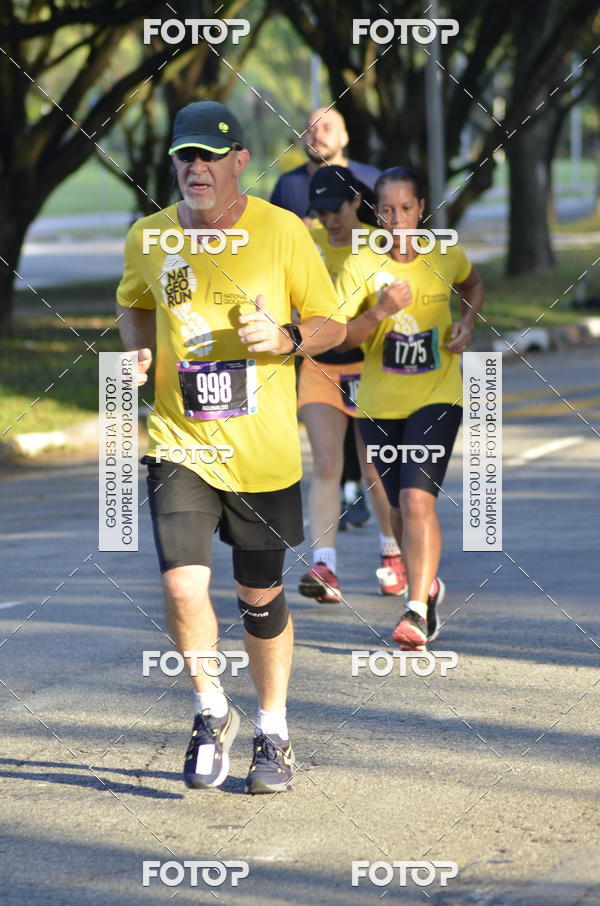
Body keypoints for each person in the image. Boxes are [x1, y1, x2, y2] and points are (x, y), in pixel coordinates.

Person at [116, 100, 345, 794]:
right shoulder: (149, 237)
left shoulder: (281, 232)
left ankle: (273, 729)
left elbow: (332, 323)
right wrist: (139, 355)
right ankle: (211, 712)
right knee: (183, 583)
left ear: (239, 161)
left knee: (259, 596)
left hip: (263, 455)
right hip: (181, 445)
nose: (194, 168)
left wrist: (287, 339)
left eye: (208, 157)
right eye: (184, 157)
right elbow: (132, 299)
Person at [336, 166, 484, 647]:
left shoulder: (443, 253)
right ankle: (430, 582)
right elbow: (342, 335)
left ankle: (417, 610)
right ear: (376, 213)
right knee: (398, 511)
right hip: (379, 402)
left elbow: (474, 285)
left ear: (421, 209)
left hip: (437, 396)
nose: (397, 220)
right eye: (387, 210)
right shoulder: (361, 264)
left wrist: (467, 324)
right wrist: (379, 311)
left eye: (406, 208)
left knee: (418, 500)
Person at [297, 165, 408, 603]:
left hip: (369, 368)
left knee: (372, 469)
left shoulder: (377, 246)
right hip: (319, 367)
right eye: (320, 212)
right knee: (326, 466)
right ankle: (324, 565)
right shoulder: (307, 243)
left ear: (356, 203)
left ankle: (392, 552)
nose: (329, 219)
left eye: (336, 209)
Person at [270, 106, 380, 222]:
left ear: (344, 137)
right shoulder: (287, 185)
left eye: (327, 129)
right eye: (310, 130)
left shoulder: (371, 179)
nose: (317, 136)